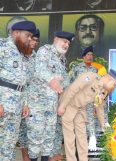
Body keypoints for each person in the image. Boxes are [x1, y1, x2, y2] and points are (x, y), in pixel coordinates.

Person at [25, 31, 74, 161]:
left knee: (49, 138)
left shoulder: (62, 59)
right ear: (56, 39)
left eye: (68, 43)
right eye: (64, 41)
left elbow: (64, 81)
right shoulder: (45, 50)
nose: (66, 45)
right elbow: (40, 69)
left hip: (52, 105)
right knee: (36, 136)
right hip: (37, 104)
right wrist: (52, 80)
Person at [57, 69, 116, 161]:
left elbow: (99, 107)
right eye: (115, 84)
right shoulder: (90, 77)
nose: (114, 87)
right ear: (111, 79)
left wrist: (104, 125)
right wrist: (62, 106)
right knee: (70, 138)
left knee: (82, 138)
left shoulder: (104, 91)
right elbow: (72, 89)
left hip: (80, 109)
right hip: (69, 105)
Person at [0, 20, 36, 161]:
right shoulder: (2, 46)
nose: (29, 39)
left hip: (17, 105)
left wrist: (25, 103)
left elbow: (23, 81)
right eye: (27, 35)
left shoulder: (20, 51)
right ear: (15, 33)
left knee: (9, 143)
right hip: (4, 103)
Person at [69, 46, 103, 153]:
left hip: (90, 98)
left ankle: (92, 138)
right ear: (83, 56)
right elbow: (71, 83)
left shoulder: (94, 69)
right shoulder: (77, 68)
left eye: (91, 55)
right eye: (88, 55)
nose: (90, 57)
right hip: (78, 99)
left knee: (90, 118)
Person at [18, 29, 40, 161]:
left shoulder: (38, 58)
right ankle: (25, 157)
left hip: (35, 101)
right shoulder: (17, 55)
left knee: (34, 131)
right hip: (19, 98)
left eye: (37, 40)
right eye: (32, 39)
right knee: (21, 131)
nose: (34, 42)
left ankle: (32, 157)